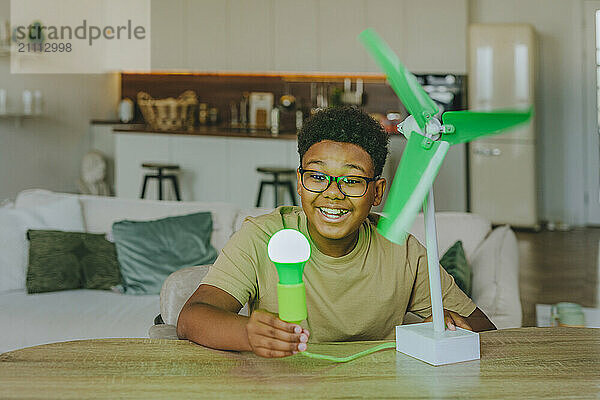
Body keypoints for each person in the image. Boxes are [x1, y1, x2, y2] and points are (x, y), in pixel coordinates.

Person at [177, 106, 496, 358]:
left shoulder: (402, 250)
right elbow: (192, 318)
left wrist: (451, 327)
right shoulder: (262, 237)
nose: (332, 193)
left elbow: (486, 328)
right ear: (300, 183)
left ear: (377, 192)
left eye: (353, 180)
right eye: (317, 177)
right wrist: (247, 333)